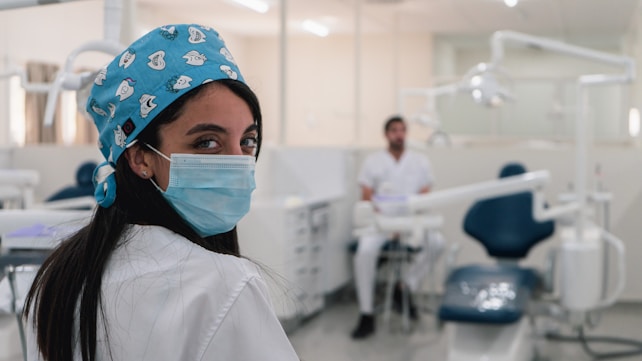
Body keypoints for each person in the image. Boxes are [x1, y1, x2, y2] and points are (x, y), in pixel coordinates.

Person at [24, 24, 300, 361]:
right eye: (207, 142)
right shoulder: (222, 286)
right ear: (141, 157)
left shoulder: (61, 274)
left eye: (247, 141)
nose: (238, 162)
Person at [351, 115, 444, 339]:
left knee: (437, 243)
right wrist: (385, 221)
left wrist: (407, 221)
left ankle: (404, 288)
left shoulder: (419, 161)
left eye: (402, 130)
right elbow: (366, 195)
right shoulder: (373, 161)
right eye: (394, 130)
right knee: (364, 252)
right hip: (380, 222)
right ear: (386, 134)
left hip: (411, 222)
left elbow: (424, 193)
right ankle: (366, 313)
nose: (399, 134)